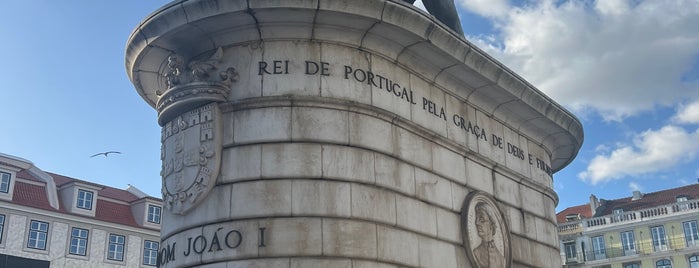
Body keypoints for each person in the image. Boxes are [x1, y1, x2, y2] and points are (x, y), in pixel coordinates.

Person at [473, 203, 504, 268]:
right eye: (476, 219)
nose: (477, 223)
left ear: (491, 224)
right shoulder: (476, 252)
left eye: (481, 219)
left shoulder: (501, 258)